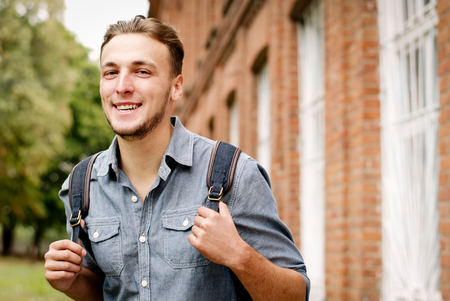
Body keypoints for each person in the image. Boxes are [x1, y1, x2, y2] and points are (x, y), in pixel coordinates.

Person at [44, 15, 310, 301]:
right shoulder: (81, 186)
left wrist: (239, 255)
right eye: (110, 73)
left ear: (176, 87)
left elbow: (295, 294)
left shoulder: (233, 174)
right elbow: (108, 291)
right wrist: (72, 281)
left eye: (142, 72)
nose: (121, 86)